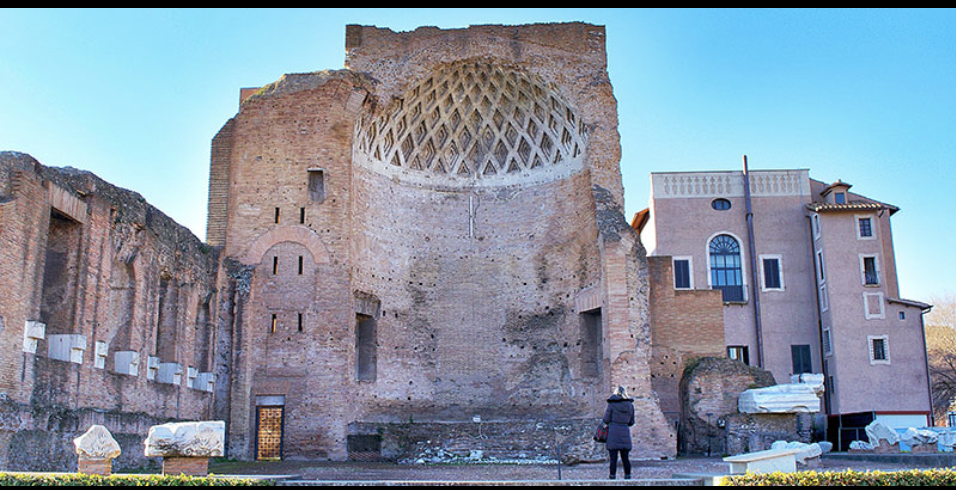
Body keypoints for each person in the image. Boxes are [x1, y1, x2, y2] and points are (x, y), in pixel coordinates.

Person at [602, 385, 635, 480]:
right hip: (625, 432)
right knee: (625, 458)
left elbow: (606, 419)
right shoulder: (630, 406)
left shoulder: (612, 404)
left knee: (613, 459)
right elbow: (631, 422)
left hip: (613, 433)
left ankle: (612, 477)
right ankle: (628, 476)